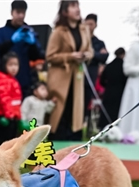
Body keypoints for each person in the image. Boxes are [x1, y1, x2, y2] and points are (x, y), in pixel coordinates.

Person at [46, 0, 93, 141]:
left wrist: (85, 55)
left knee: (75, 112)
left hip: (77, 77)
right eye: (73, 6)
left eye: (77, 6)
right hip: (60, 78)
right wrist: (70, 56)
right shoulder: (58, 32)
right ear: (65, 11)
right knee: (60, 113)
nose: (77, 9)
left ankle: (74, 142)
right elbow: (50, 56)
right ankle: (56, 141)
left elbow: (90, 50)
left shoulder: (84, 30)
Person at [0, 0, 45, 99]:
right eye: (18, 12)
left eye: (23, 13)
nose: (21, 16)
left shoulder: (29, 33)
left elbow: (39, 56)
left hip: (25, 83)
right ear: (12, 13)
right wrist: (11, 42)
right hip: (5, 83)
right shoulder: (1, 33)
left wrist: (33, 44)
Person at [0, 52, 22, 144]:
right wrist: (9, 115)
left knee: (11, 142)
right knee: (1, 142)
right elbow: (4, 99)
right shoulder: (2, 80)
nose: (14, 68)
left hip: (12, 117)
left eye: (16, 65)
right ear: (4, 65)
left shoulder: (12, 79)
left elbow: (16, 101)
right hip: (4, 117)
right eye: (10, 65)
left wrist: (18, 116)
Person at [83, 13, 108, 120]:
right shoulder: (79, 39)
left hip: (90, 77)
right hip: (77, 75)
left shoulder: (99, 43)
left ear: (95, 25)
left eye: (91, 24)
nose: (88, 27)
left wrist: (91, 54)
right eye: (87, 24)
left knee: (86, 102)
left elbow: (104, 57)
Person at [98, 48, 127, 129]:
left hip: (108, 92)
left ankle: (103, 127)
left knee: (106, 111)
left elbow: (102, 80)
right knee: (116, 112)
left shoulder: (109, 66)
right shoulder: (124, 66)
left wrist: (107, 86)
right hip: (120, 92)